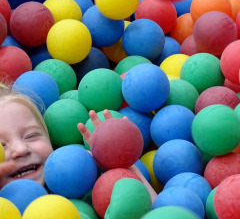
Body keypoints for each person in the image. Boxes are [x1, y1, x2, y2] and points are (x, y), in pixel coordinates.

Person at [0, 86, 157, 202]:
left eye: (31, 135)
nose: (21, 150)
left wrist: (121, 168)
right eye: (1, 146)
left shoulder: (89, 191)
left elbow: (159, 211)